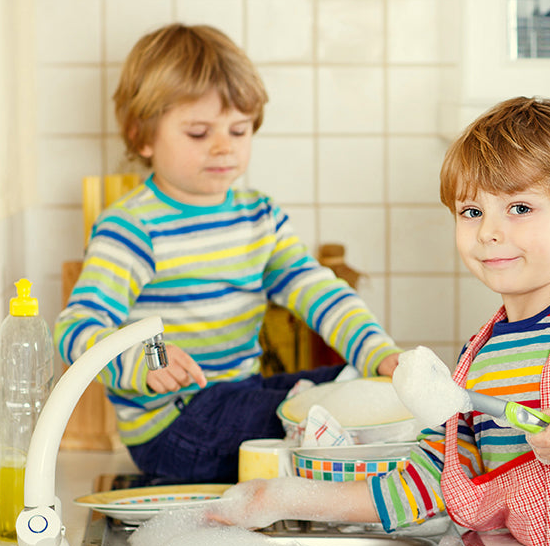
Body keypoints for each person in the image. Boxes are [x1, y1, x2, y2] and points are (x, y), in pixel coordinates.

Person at [202, 96, 550, 546]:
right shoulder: (479, 355)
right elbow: (427, 482)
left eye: (519, 208)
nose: (488, 231)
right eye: (472, 212)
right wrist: (281, 498)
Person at [54, 24, 400, 483]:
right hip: (173, 430)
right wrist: (146, 362)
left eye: (238, 130)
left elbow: (317, 290)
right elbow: (76, 328)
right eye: (198, 132)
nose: (223, 146)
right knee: (321, 409)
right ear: (143, 136)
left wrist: (379, 353)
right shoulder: (134, 227)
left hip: (237, 398)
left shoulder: (260, 217)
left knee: (353, 385)